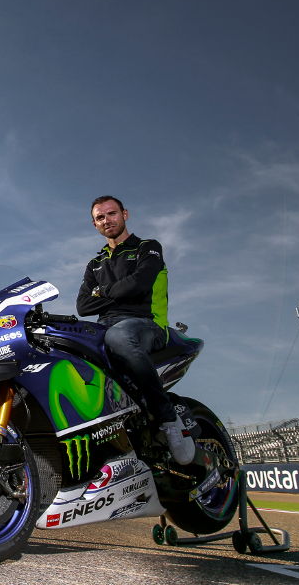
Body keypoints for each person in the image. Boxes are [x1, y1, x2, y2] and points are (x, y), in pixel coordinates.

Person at [76, 196, 194, 465]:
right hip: (104, 326)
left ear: (125, 214)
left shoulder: (148, 247)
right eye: (100, 217)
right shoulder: (94, 264)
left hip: (147, 323)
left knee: (118, 336)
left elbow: (139, 284)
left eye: (112, 213)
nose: (107, 220)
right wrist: (122, 293)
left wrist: (102, 292)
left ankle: (167, 418)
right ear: (94, 224)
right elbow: (83, 306)